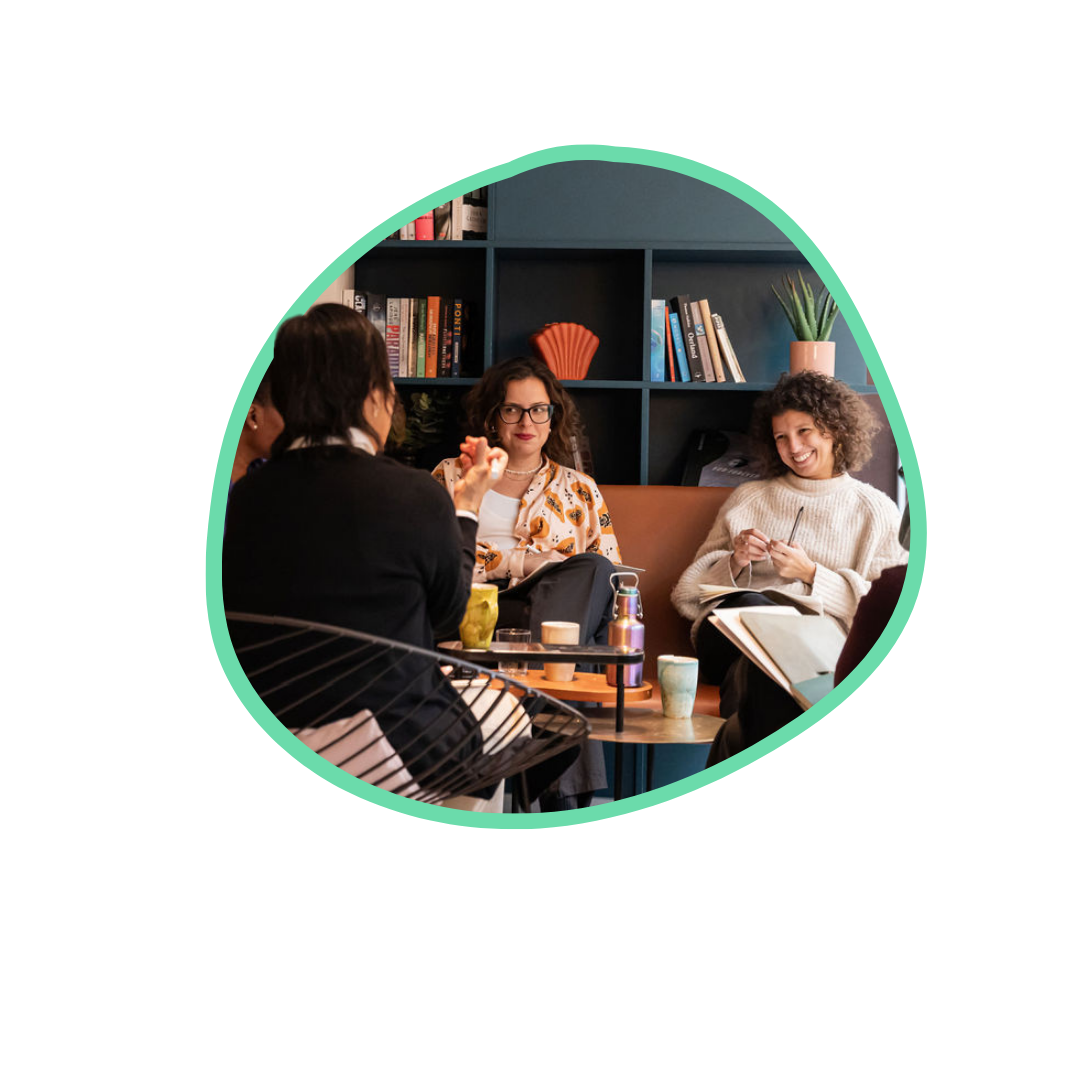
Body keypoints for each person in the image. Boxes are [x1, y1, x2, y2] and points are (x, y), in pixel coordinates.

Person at [223, 303, 508, 802]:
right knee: (504, 715)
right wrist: (466, 505)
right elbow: (447, 618)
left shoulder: (237, 503)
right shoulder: (414, 495)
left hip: (279, 725)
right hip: (391, 748)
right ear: (376, 396)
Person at [671, 370, 908, 760]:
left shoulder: (875, 509)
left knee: (766, 668)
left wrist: (812, 575)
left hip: (812, 651)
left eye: (804, 431)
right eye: (781, 437)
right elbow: (687, 595)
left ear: (835, 430)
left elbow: (888, 608)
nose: (793, 447)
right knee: (761, 618)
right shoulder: (749, 497)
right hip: (729, 635)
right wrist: (734, 561)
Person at [432, 356, 622, 810]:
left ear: (553, 417)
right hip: (476, 616)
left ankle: (528, 733)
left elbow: (615, 584)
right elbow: (434, 563)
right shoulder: (451, 476)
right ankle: (558, 796)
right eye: (512, 409)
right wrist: (524, 559)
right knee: (570, 657)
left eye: (539, 410)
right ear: (492, 416)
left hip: (554, 619)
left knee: (593, 570)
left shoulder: (580, 489)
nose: (526, 422)